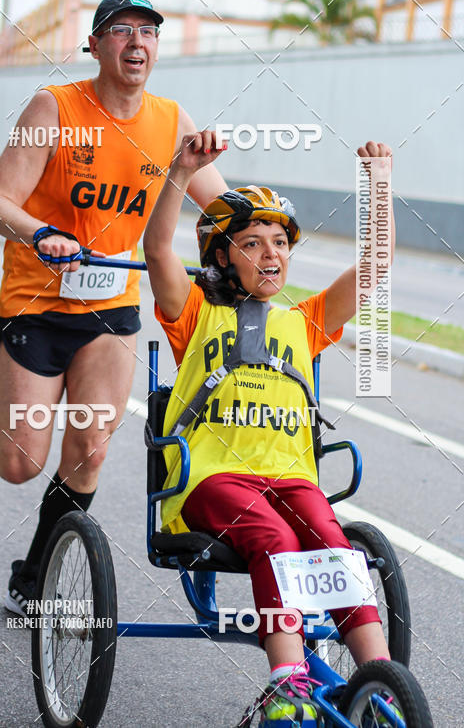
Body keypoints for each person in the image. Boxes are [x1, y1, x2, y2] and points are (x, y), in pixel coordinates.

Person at [0, 0, 227, 615]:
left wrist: (256, 242)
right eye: (122, 31)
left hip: (110, 309)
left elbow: (221, 207)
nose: (138, 43)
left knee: (91, 451)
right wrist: (41, 234)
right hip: (37, 301)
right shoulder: (52, 107)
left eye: (149, 34)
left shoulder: (171, 120)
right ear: (95, 45)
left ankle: (35, 578)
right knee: (22, 463)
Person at [143, 131, 398, 724]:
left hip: (288, 475)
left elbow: (376, 265)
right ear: (220, 256)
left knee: (335, 545)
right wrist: (181, 172)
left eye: (280, 243)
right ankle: (287, 686)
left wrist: (380, 184)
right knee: (275, 539)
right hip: (212, 478)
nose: (270, 254)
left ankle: (379, 682)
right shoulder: (196, 314)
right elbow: (158, 252)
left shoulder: (303, 322)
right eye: (252, 244)